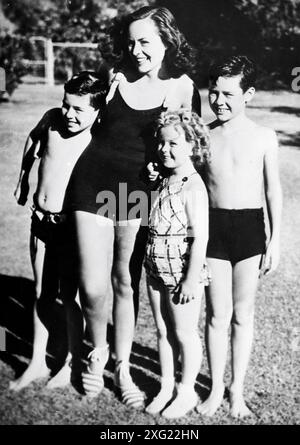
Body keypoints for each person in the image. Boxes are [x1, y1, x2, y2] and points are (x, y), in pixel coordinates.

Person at [64, 6, 201, 407]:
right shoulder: (114, 77)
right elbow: (76, 117)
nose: (136, 49)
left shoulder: (181, 86)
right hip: (92, 183)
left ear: (166, 41)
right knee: (92, 286)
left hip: (137, 190)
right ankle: (97, 352)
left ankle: (121, 366)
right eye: (131, 41)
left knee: (125, 281)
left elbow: (187, 147)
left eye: (145, 41)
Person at [10, 71, 109, 391]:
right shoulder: (52, 120)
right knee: (42, 293)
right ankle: (38, 361)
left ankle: (69, 361)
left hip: (72, 230)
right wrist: (23, 177)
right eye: (67, 105)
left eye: (79, 109)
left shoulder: (98, 137)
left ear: (97, 111)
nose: (70, 114)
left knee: (70, 297)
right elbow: (32, 139)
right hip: (40, 223)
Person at [196, 55, 282, 418]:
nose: (219, 101)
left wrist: (275, 239)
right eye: (214, 92)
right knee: (217, 314)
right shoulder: (202, 133)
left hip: (250, 230)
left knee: (242, 314)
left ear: (249, 94)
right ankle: (215, 388)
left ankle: (237, 390)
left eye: (228, 94)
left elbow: (273, 190)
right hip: (212, 229)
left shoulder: (264, 136)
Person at [144, 110, 210, 419]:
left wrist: (189, 279)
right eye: (161, 143)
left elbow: (200, 239)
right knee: (162, 329)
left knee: (184, 333)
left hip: (182, 273)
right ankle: (166, 386)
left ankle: (187, 390)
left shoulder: (193, 187)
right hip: (155, 268)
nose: (164, 149)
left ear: (193, 145)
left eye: (174, 143)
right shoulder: (165, 178)